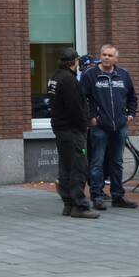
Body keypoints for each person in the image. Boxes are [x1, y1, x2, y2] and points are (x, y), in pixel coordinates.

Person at [80, 44, 138, 210]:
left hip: (119, 126)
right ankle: (97, 196)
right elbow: (82, 99)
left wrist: (130, 115)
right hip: (99, 127)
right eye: (104, 54)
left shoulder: (124, 75)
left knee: (117, 162)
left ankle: (118, 196)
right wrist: (91, 117)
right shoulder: (90, 75)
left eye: (110, 55)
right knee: (97, 162)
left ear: (116, 59)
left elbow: (133, 97)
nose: (106, 57)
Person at [48, 48, 100, 218]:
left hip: (61, 130)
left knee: (65, 168)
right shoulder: (69, 81)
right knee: (78, 167)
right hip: (72, 131)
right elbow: (75, 109)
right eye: (77, 61)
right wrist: (84, 124)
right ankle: (80, 205)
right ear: (73, 62)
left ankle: (68, 204)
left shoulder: (54, 78)